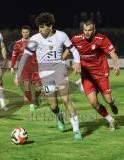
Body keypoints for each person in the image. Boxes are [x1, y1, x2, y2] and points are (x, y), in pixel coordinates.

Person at [17, 12, 82, 141]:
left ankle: (76, 130)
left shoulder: (62, 35)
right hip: (45, 74)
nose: (40, 30)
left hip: (59, 70)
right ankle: (59, 117)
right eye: (39, 27)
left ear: (51, 26)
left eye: (42, 27)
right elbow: (25, 56)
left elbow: (74, 50)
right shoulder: (35, 38)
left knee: (66, 99)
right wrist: (18, 74)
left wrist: (77, 61)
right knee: (53, 105)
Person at [71, 20, 119, 131]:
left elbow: (112, 53)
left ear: (94, 29)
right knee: (93, 101)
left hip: (100, 73)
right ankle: (111, 120)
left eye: (89, 30)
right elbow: (69, 50)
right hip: (86, 75)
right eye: (85, 30)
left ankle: (112, 103)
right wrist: (61, 60)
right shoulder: (76, 39)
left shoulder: (101, 39)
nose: (87, 32)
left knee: (107, 100)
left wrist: (116, 64)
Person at [11, 25, 41, 111]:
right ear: (21, 32)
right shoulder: (17, 44)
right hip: (24, 69)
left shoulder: (34, 42)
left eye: (26, 32)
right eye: (23, 32)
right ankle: (31, 103)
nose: (25, 34)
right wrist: (12, 67)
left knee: (38, 88)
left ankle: (36, 98)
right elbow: (14, 56)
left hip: (35, 67)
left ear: (29, 32)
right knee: (27, 87)